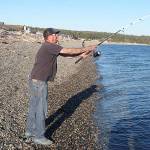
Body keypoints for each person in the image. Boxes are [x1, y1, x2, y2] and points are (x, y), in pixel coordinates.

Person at [25, 28, 96, 145]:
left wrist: (82, 54)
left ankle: (29, 131)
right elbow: (68, 50)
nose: (58, 37)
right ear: (49, 36)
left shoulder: (49, 47)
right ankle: (38, 136)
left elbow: (66, 54)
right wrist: (88, 48)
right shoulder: (49, 46)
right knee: (41, 108)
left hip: (34, 80)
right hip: (39, 82)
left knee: (34, 106)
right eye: (55, 35)